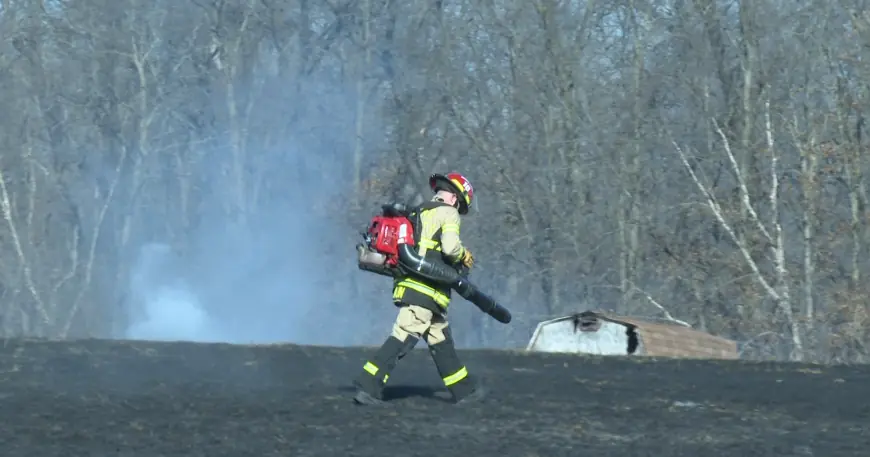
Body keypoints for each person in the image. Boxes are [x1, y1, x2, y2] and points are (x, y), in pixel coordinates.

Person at [352, 172, 485, 405]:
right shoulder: (449, 213)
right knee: (403, 336)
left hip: (421, 288)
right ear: (455, 198)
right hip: (425, 289)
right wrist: (464, 256)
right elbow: (451, 248)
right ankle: (368, 384)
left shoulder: (418, 212)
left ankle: (464, 390)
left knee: (441, 339)